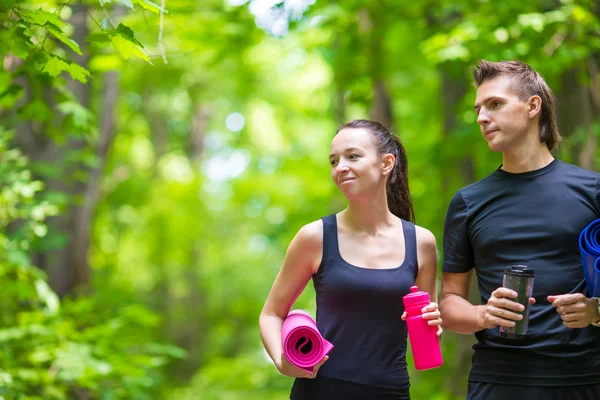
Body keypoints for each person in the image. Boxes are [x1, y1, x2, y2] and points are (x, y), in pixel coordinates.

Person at [440, 59, 600, 400]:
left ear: (532, 106)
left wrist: (596, 310)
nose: (482, 117)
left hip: (584, 377)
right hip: (498, 380)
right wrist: (483, 313)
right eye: (478, 108)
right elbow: (450, 303)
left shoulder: (592, 190)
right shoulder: (468, 202)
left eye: (495, 104)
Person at [259, 119, 443, 400]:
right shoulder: (315, 237)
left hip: (390, 392)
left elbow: (426, 335)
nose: (340, 167)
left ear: (386, 163)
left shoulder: (422, 243)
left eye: (353, 156)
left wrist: (434, 325)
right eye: (334, 161)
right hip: (321, 391)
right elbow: (271, 313)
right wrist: (283, 362)